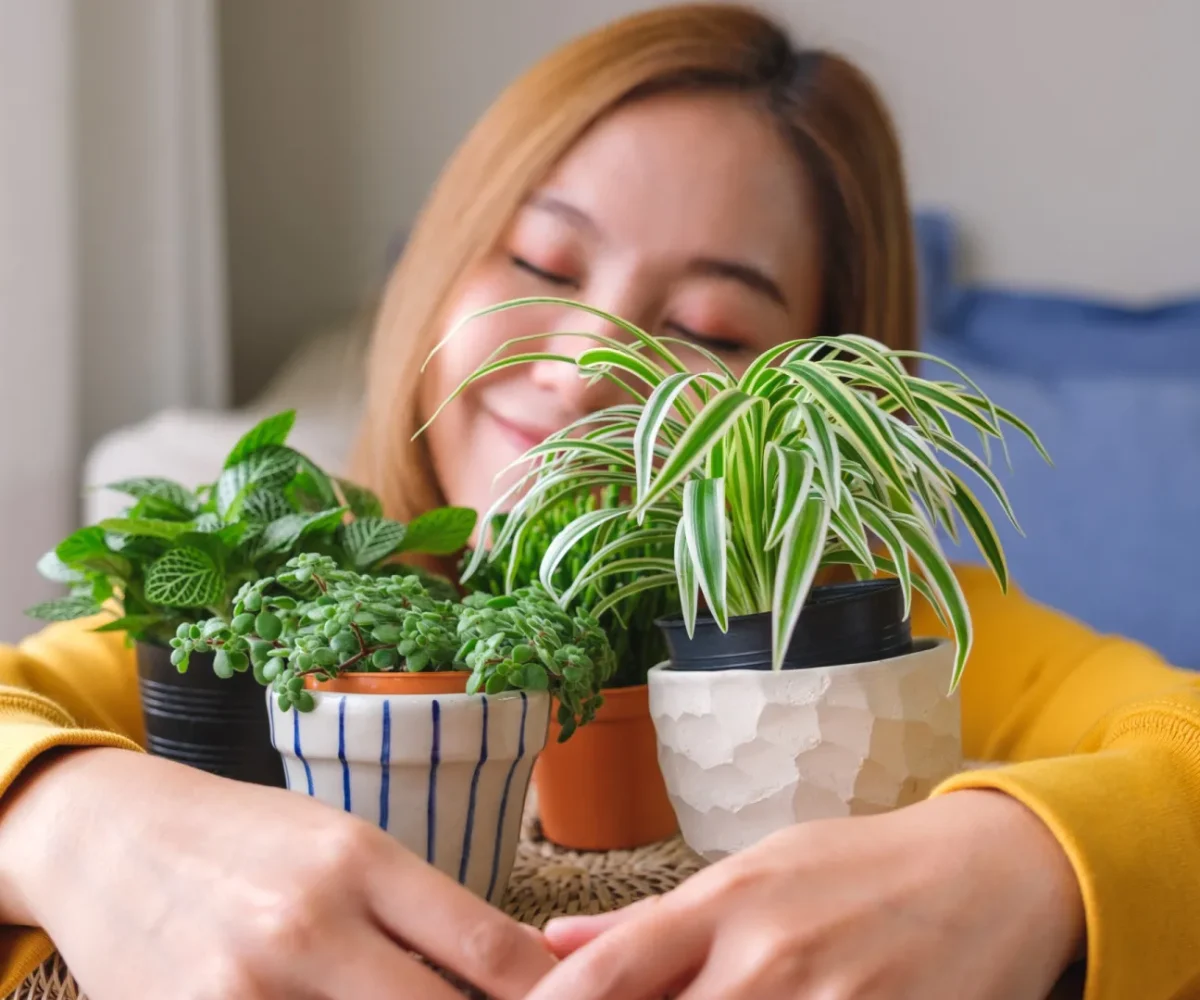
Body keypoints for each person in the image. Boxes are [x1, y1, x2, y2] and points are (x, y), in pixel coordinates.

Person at [0, 4, 1195, 998]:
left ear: (816, 397)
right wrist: (69, 821)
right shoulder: (284, 603)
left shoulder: (887, 651)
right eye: (539, 263)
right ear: (441, 263)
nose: (579, 367)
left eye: (704, 326)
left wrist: (1017, 861)